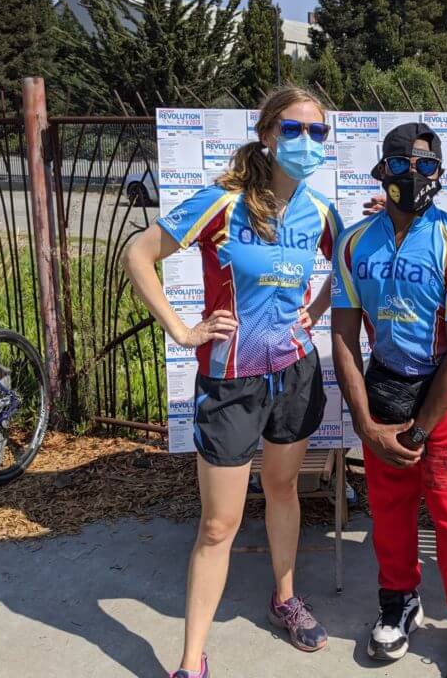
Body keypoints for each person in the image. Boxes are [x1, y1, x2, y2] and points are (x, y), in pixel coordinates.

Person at [123, 87, 342, 678]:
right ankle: (192, 660)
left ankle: (285, 599)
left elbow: (348, 261)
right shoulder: (222, 203)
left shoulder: (319, 210)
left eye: (317, 133)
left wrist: (316, 310)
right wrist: (182, 330)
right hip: (230, 383)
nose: (305, 143)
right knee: (218, 524)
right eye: (293, 130)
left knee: (282, 490)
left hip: (294, 375)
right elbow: (138, 253)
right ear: (268, 134)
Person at [331, 123, 447, 678]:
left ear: (440, 175)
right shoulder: (354, 242)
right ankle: (397, 603)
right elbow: (343, 338)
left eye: (425, 166)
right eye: (399, 164)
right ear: (382, 169)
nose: (411, 176)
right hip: (384, 394)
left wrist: (420, 432)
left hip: (446, 402)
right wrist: (367, 426)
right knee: (390, 513)